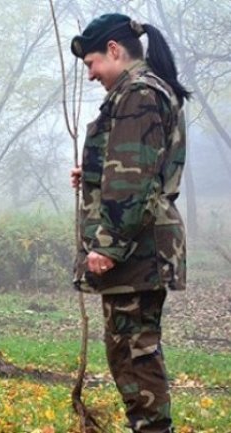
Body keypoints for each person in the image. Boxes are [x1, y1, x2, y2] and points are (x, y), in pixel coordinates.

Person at [70, 13, 190, 433]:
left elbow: (132, 179)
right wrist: (90, 175)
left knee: (135, 355)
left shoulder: (137, 93)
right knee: (127, 352)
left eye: (92, 63)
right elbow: (133, 168)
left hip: (136, 249)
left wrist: (108, 245)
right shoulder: (140, 92)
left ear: (115, 50)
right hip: (139, 247)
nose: (90, 75)